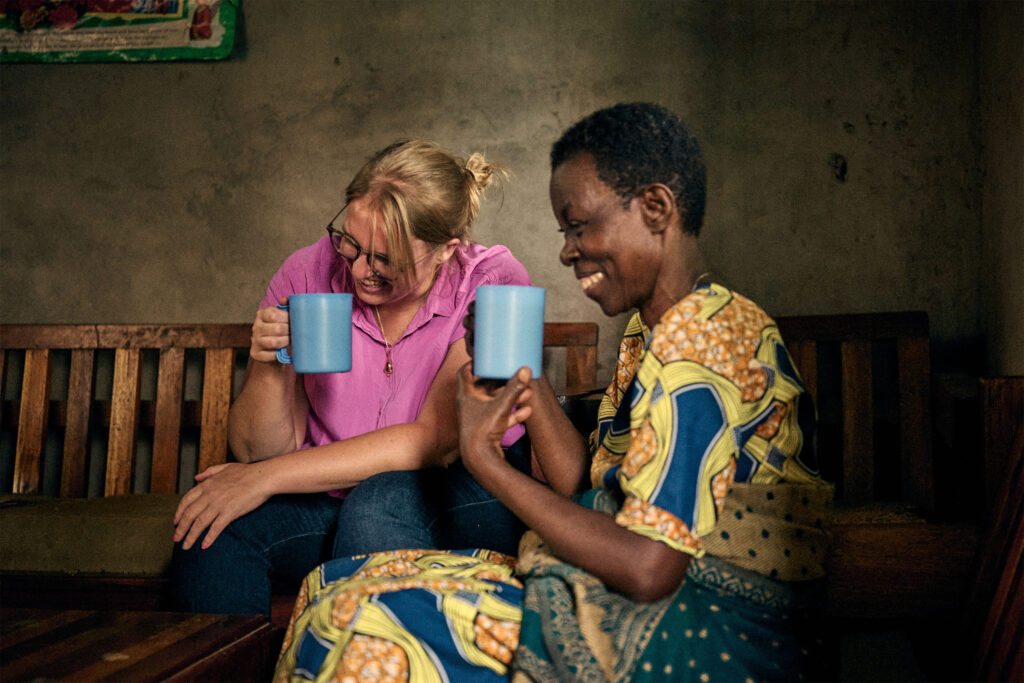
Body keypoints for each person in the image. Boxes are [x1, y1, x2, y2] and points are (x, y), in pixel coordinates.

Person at [273, 103, 832, 682]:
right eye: (565, 231)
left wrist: (485, 461)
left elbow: (648, 568)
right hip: (631, 588)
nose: (566, 250)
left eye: (580, 226)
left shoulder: (706, 335)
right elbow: (579, 487)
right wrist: (527, 383)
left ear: (657, 208)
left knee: (355, 620)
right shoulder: (655, 329)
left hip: (699, 624)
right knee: (337, 589)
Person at [170, 139, 533, 618]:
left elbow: (433, 441)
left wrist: (264, 478)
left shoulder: (493, 280)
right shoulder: (308, 271)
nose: (361, 270)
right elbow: (257, 453)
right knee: (211, 529)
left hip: (463, 488)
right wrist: (270, 363)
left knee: (377, 503)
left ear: (447, 249)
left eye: (387, 260)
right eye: (352, 244)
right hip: (332, 489)